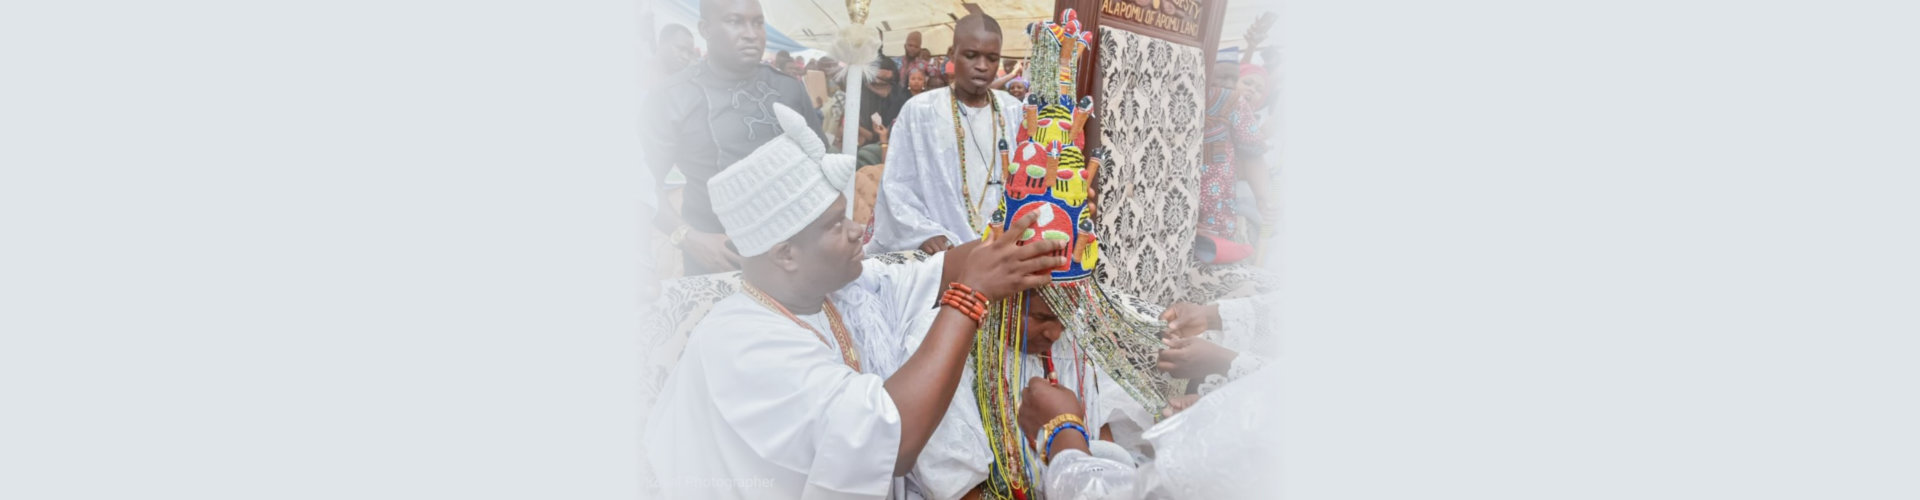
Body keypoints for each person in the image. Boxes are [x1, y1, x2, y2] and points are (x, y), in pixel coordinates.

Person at [644, 103, 1070, 498]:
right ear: (785, 254)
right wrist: (972, 296)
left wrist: (1039, 215)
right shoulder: (743, 343)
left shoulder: (842, 288)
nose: (856, 229)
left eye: (847, 214)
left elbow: (944, 270)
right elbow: (895, 441)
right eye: (835, 225)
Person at [643, 0, 823, 276]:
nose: (751, 33)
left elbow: (821, 165)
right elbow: (641, 183)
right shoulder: (672, 97)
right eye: (735, 21)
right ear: (706, 29)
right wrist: (688, 238)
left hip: (791, 259)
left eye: (758, 22)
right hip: (717, 259)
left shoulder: (788, 89)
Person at [866, 13, 1026, 255]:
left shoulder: (1014, 111)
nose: (982, 66)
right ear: (952, 54)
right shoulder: (920, 110)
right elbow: (898, 186)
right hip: (941, 253)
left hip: (1004, 248)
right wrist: (923, 233)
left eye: (992, 58)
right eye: (971, 55)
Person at [1195, 57, 1271, 262]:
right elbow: (1255, 153)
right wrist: (1264, 198)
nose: (1252, 90)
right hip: (1212, 216)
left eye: (1259, 90)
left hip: (1217, 215)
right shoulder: (1232, 103)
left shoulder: (1251, 119)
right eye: (1247, 82)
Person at [859, 54, 910, 150]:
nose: (879, 83)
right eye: (876, 80)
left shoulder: (899, 99)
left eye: (885, 80)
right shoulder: (864, 95)